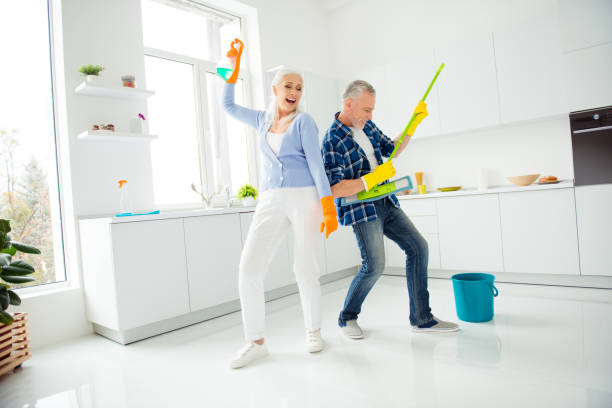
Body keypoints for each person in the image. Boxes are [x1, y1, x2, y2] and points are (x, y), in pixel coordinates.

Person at [221, 39, 338, 368]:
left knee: (304, 268)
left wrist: (328, 206)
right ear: (275, 89)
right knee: (249, 267)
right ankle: (255, 342)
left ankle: (313, 331)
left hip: (305, 198)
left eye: (299, 88)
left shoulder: (304, 121)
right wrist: (231, 68)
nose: (295, 92)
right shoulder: (261, 120)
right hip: (270, 197)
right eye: (288, 86)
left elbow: (316, 164)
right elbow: (228, 106)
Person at [321, 79, 458, 339]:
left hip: (386, 201)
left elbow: (390, 150)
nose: (370, 116)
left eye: (372, 110)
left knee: (418, 247)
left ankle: (421, 318)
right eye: (366, 110)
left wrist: (412, 124)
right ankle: (347, 317)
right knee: (374, 265)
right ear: (348, 104)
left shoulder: (367, 125)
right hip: (362, 208)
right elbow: (334, 188)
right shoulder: (331, 140)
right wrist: (369, 179)